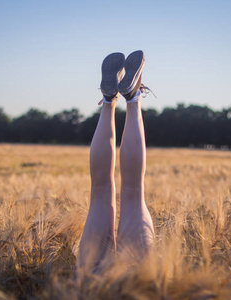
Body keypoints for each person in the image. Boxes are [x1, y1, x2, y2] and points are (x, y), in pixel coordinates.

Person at [78, 50, 156, 269]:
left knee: (110, 191)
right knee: (127, 191)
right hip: (119, 286)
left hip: (96, 287)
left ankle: (113, 98)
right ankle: (126, 96)